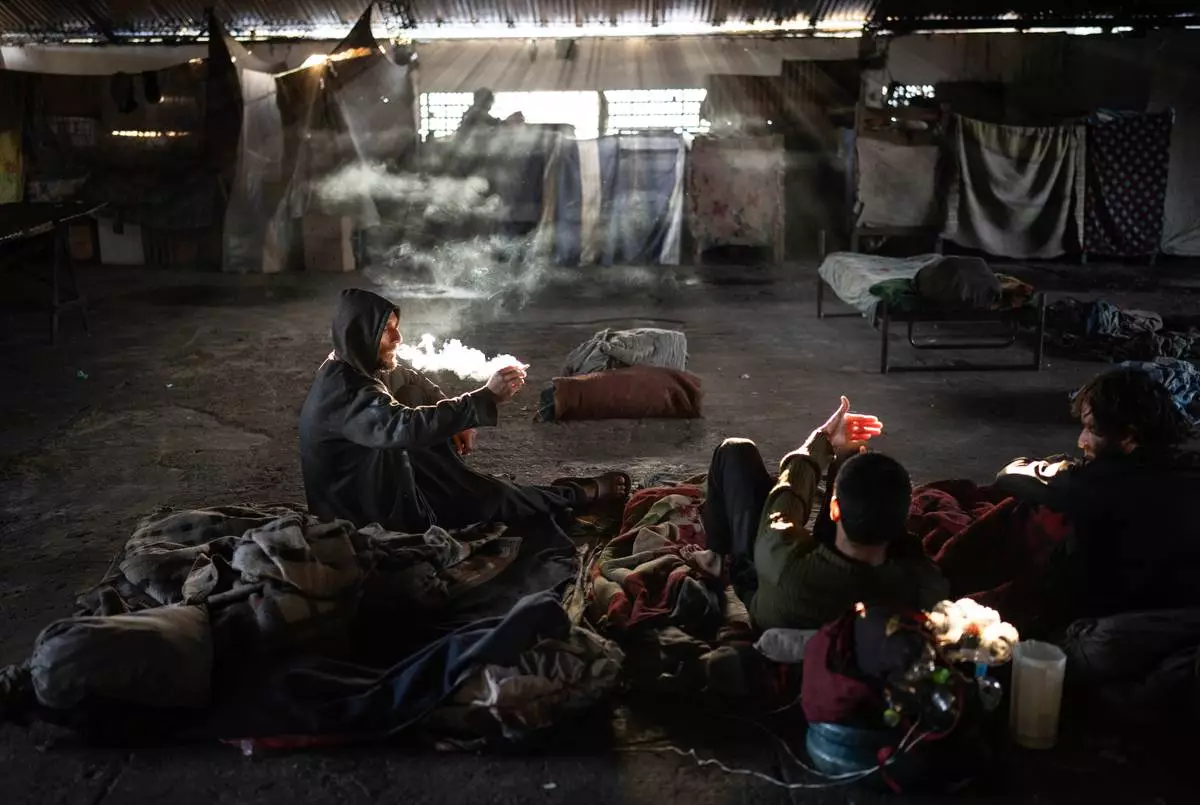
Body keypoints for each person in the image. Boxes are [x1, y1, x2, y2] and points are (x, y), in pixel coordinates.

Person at [300, 288, 628, 533]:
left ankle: (462, 487)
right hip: (362, 516)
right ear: (360, 335)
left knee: (414, 394)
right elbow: (405, 426)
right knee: (490, 500)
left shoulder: (349, 363)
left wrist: (458, 418)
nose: (398, 337)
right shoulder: (348, 393)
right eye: (387, 329)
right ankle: (573, 494)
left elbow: (409, 379)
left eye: (396, 327)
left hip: (376, 478)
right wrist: (482, 399)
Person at [702, 397, 949, 631]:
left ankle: (715, 558)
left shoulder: (780, 556)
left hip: (773, 598)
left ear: (834, 509)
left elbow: (787, 495)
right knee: (854, 459)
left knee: (735, 450)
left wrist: (821, 439)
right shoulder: (921, 586)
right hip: (848, 579)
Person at [996, 368, 1200, 622]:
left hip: (1111, 621)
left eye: (1092, 429)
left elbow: (1010, 474)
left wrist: (1065, 465)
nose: (1082, 441)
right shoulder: (1190, 466)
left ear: (1127, 434)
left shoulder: (1096, 484)